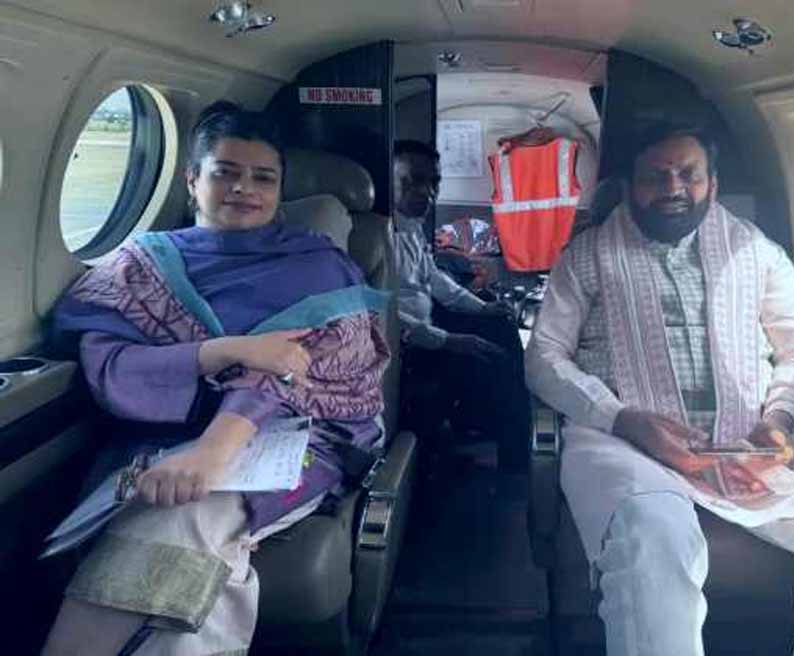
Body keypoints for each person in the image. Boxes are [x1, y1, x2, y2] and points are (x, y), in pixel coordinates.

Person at [524, 123, 794, 656]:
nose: (674, 188)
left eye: (689, 174)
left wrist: (780, 419)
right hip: (623, 438)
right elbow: (544, 357)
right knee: (653, 530)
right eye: (656, 177)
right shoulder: (587, 256)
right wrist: (622, 418)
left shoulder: (757, 253)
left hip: (750, 439)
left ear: (712, 183)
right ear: (628, 186)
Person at [42, 101, 390, 656]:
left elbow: (306, 371)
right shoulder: (138, 264)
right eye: (225, 172)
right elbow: (111, 364)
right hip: (159, 437)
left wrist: (214, 451)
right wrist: (224, 351)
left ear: (279, 190)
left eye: (263, 178)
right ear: (192, 180)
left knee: (182, 520)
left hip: (294, 439)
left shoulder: (318, 265)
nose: (243, 189)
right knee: (174, 529)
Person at [392, 140, 530, 471]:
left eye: (433, 182)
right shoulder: (380, 235)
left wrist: (481, 308)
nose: (427, 192)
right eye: (413, 181)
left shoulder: (411, 228)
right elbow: (390, 320)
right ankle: (507, 454)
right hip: (406, 347)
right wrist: (448, 340)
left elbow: (434, 279)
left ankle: (508, 445)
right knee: (490, 358)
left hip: (427, 331)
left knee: (499, 324)